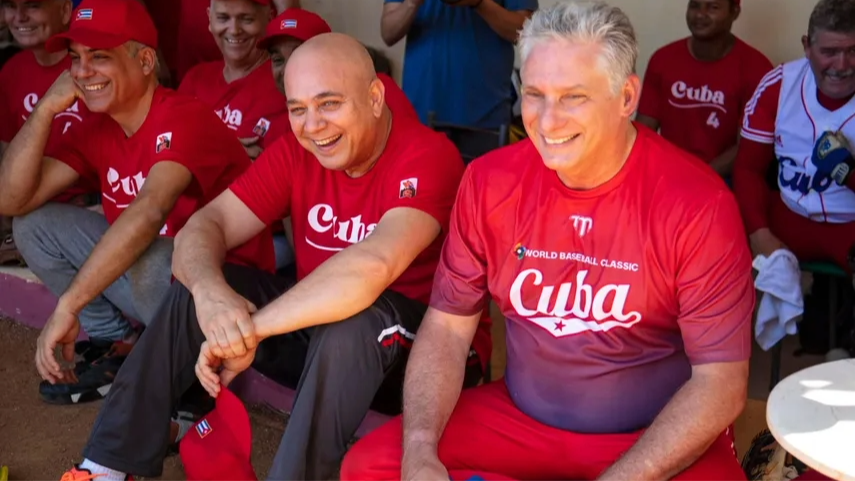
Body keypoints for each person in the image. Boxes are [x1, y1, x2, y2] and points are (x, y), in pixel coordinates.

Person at [342, 2, 754, 481]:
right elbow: (448, 329)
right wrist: (419, 449)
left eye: (574, 97)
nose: (548, 120)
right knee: (374, 467)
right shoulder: (489, 181)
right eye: (535, 94)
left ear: (626, 97)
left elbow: (720, 383)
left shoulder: (698, 203)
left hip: (650, 440)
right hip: (520, 423)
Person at [60, 33, 491, 481]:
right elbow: (205, 227)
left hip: (422, 359)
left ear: (375, 97)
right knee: (201, 285)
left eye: (329, 104)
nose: (312, 125)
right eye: (297, 109)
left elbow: (370, 270)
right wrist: (210, 296)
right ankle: (106, 466)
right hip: (326, 342)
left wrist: (247, 331)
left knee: (359, 317)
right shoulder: (296, 152)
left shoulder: (426, 155)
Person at [0, 0, 274, 406]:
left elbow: (149, 212)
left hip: (224, 295)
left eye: (99, 57)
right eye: (75, 58)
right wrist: (44, 110)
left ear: (145, 60)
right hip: (157, 284)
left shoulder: (183, 116)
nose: (81, 71)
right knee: (33, 225)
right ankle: (120, 342)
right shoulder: (99, 125)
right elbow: (11, 199)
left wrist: (68, 305)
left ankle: (182, 374)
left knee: (155, 256)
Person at [734, 0, 855, 274]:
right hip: (789, 216)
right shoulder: (779, 84)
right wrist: (760, 234)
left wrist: (846, 171)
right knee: (722, 241)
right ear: (807, 47)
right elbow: (748, 168)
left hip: (849, 224)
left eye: (852, 51)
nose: (842, 64)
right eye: (829, 51)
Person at [0, 0, 94, 266]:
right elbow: (8, 158)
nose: (19, 17)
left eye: (33, 5)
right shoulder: (11, 72)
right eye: (10, 5)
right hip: (29, 213)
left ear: (65, 11)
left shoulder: (91, 65)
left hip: (92, 213)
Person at [636, 0, 772, 180]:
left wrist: (699, 177)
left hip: (724, 178)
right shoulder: (663, 60)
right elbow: (644, 133)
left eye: (713, 7)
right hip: (668, 174)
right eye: (695, 6)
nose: (700, 14)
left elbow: (747, 148)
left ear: (735, 12)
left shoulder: (756, 68)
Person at [381, 0, 537, 157]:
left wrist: (479, 3)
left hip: (485, 116)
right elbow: (388, 32)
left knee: (483, 180)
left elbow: (525, 31)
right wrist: (411, 3)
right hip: (420, 113)